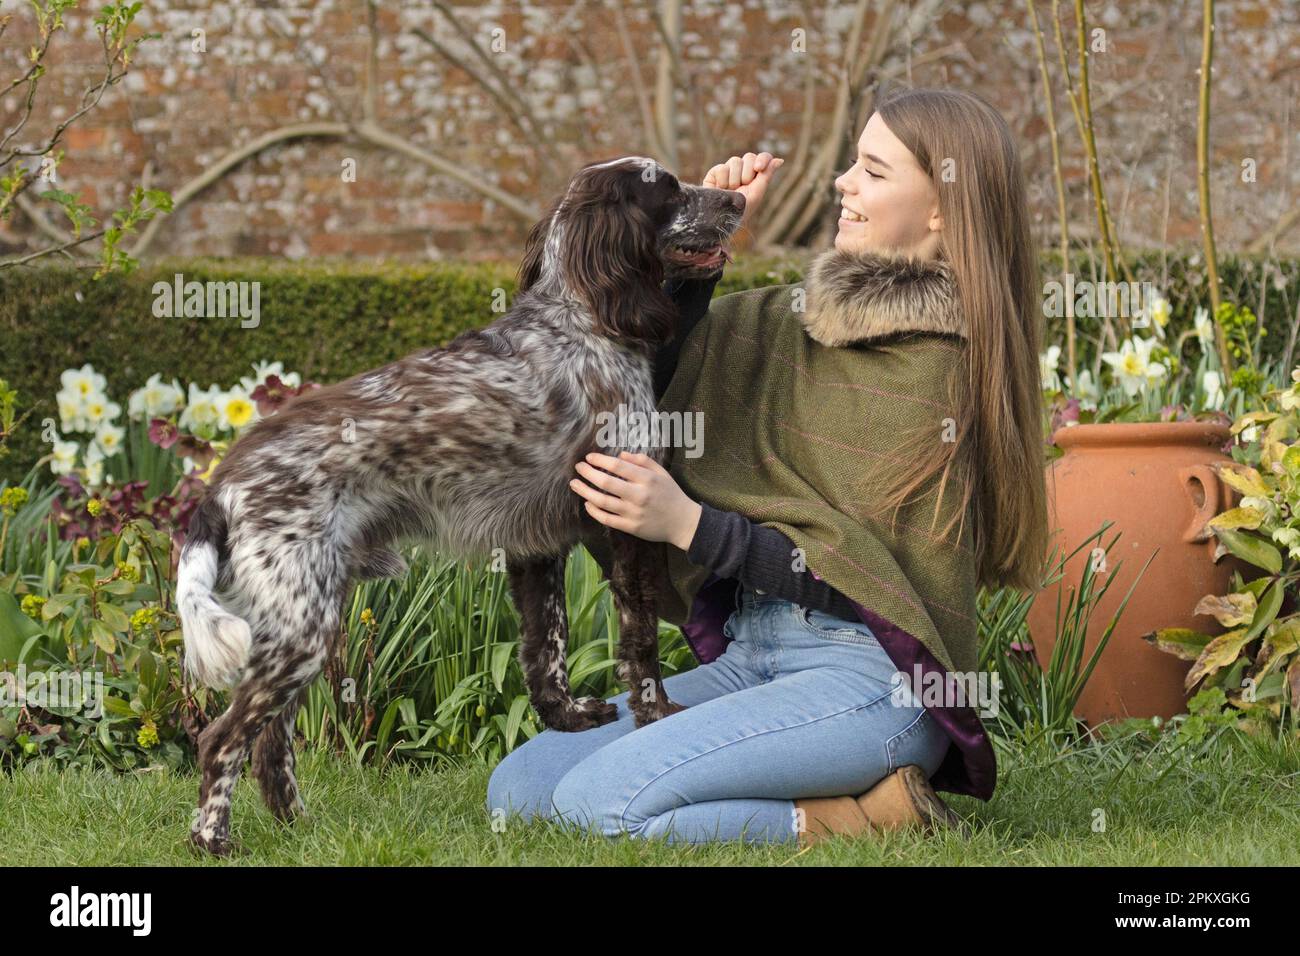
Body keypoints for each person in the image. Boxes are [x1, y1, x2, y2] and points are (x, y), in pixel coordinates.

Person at [487, 87, 1049, 847]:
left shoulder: (940, 376)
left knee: (601, 802)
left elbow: (872, 587)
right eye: (853, 162)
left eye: (874, 171)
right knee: (519, 788)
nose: (844, 182)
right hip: (755, 659)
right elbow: (631, 379)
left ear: (943, 208)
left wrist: (688, 525)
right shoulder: (790, 324)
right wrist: (697, 257)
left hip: (870, 684)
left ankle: (859, 817)